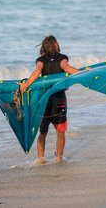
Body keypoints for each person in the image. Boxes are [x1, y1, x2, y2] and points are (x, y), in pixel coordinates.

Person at [17, 35, 82, 164]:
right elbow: (67, 68)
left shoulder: (40, 60)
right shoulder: (62, 58)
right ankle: (58, 159)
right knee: (61, 131)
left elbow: (37, 72)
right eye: (57, 42)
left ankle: (41, 160)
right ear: (54, 45)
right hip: (59, 99)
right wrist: (85, 73)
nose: (58, 44)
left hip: (44, 100)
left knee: (42, 132)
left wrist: (25, 85)